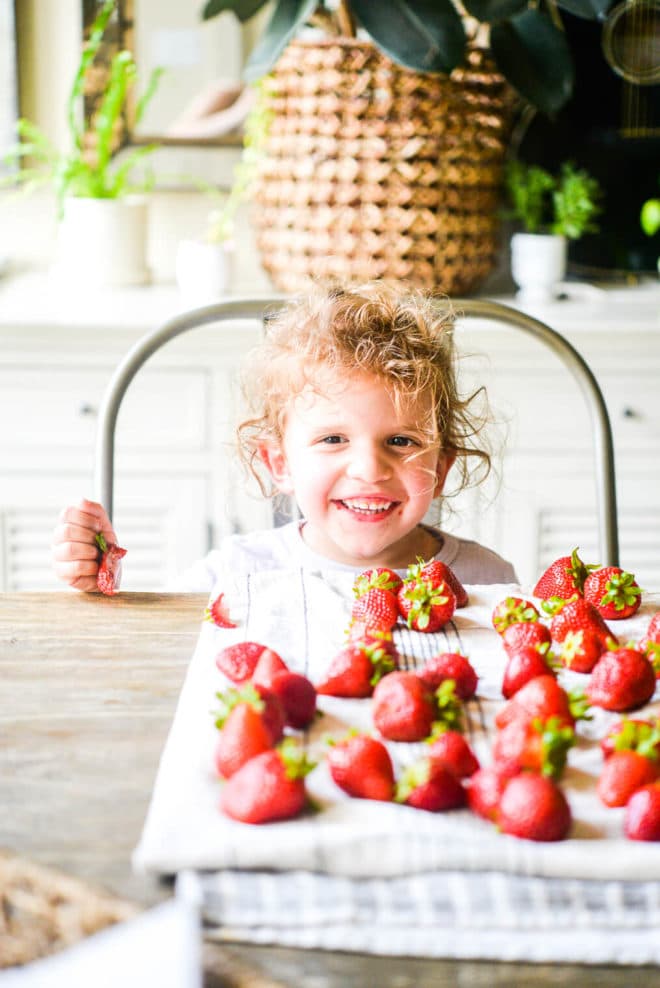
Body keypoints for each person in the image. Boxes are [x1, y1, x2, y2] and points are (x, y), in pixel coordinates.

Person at [51, 281, 517, 592]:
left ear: (439, 468)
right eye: (333, 439)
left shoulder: (487, 582)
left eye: (401, 441)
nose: (370, 469)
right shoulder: (238, 574)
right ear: (280, 464)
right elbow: (156, 641)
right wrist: (101, 581)